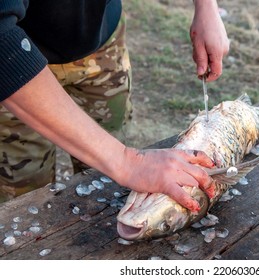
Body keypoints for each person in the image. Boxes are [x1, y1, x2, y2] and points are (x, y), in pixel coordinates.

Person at [0, 0, 230, 211]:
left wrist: (206, 8)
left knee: (109, 183)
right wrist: (126, 162)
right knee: (23, 194)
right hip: (14, 64)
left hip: (102, 42)